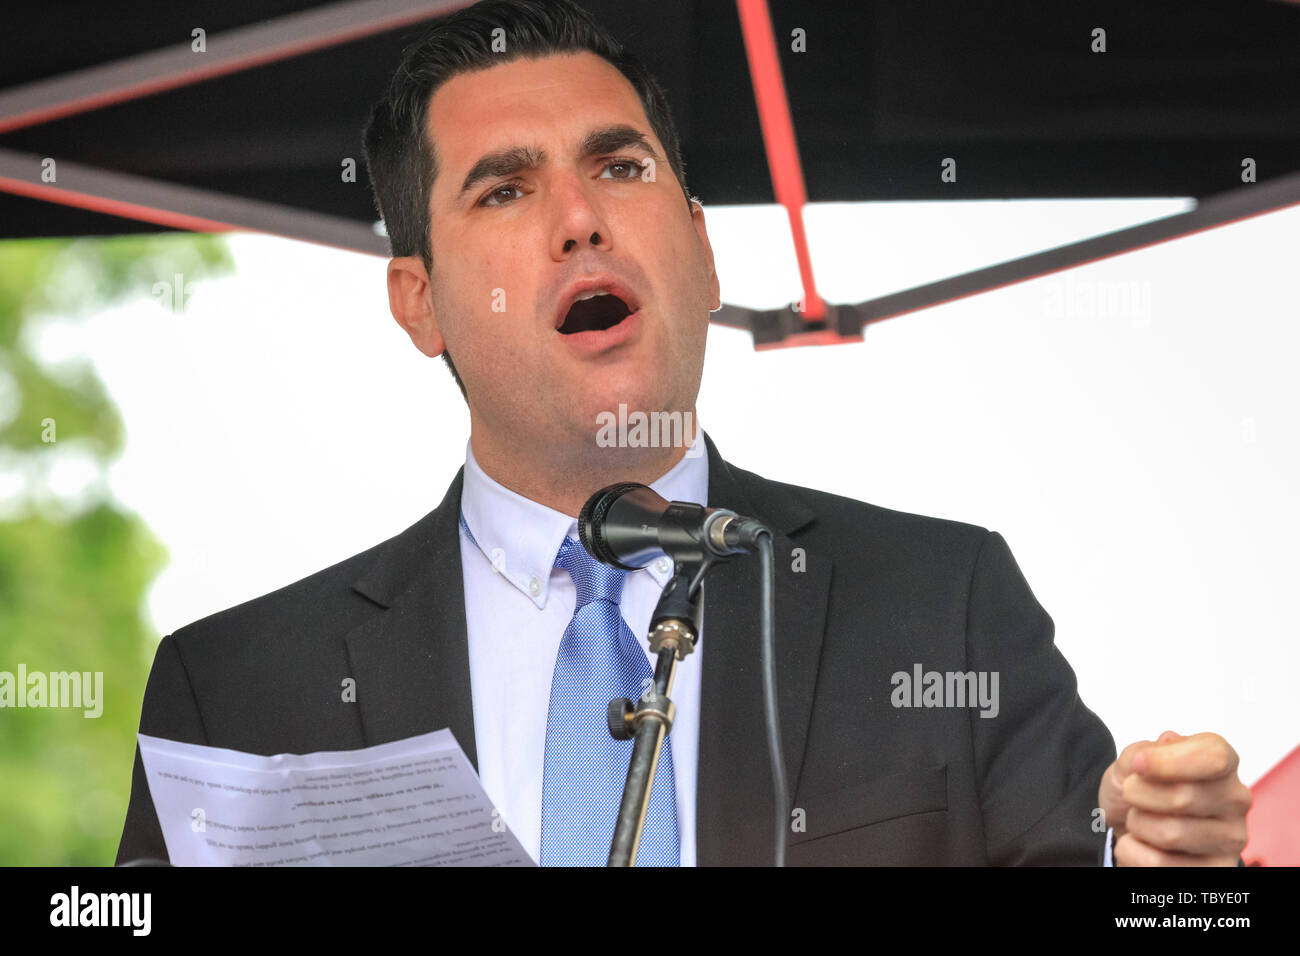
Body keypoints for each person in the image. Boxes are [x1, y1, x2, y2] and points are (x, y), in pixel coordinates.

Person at [115, 0, 1251, 867]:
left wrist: (1159, 874)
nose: (580, 219)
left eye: (620, 166)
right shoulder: (242, 692)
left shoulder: (940, 599)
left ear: (702, 252)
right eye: (504, 191)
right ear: (418, 300)